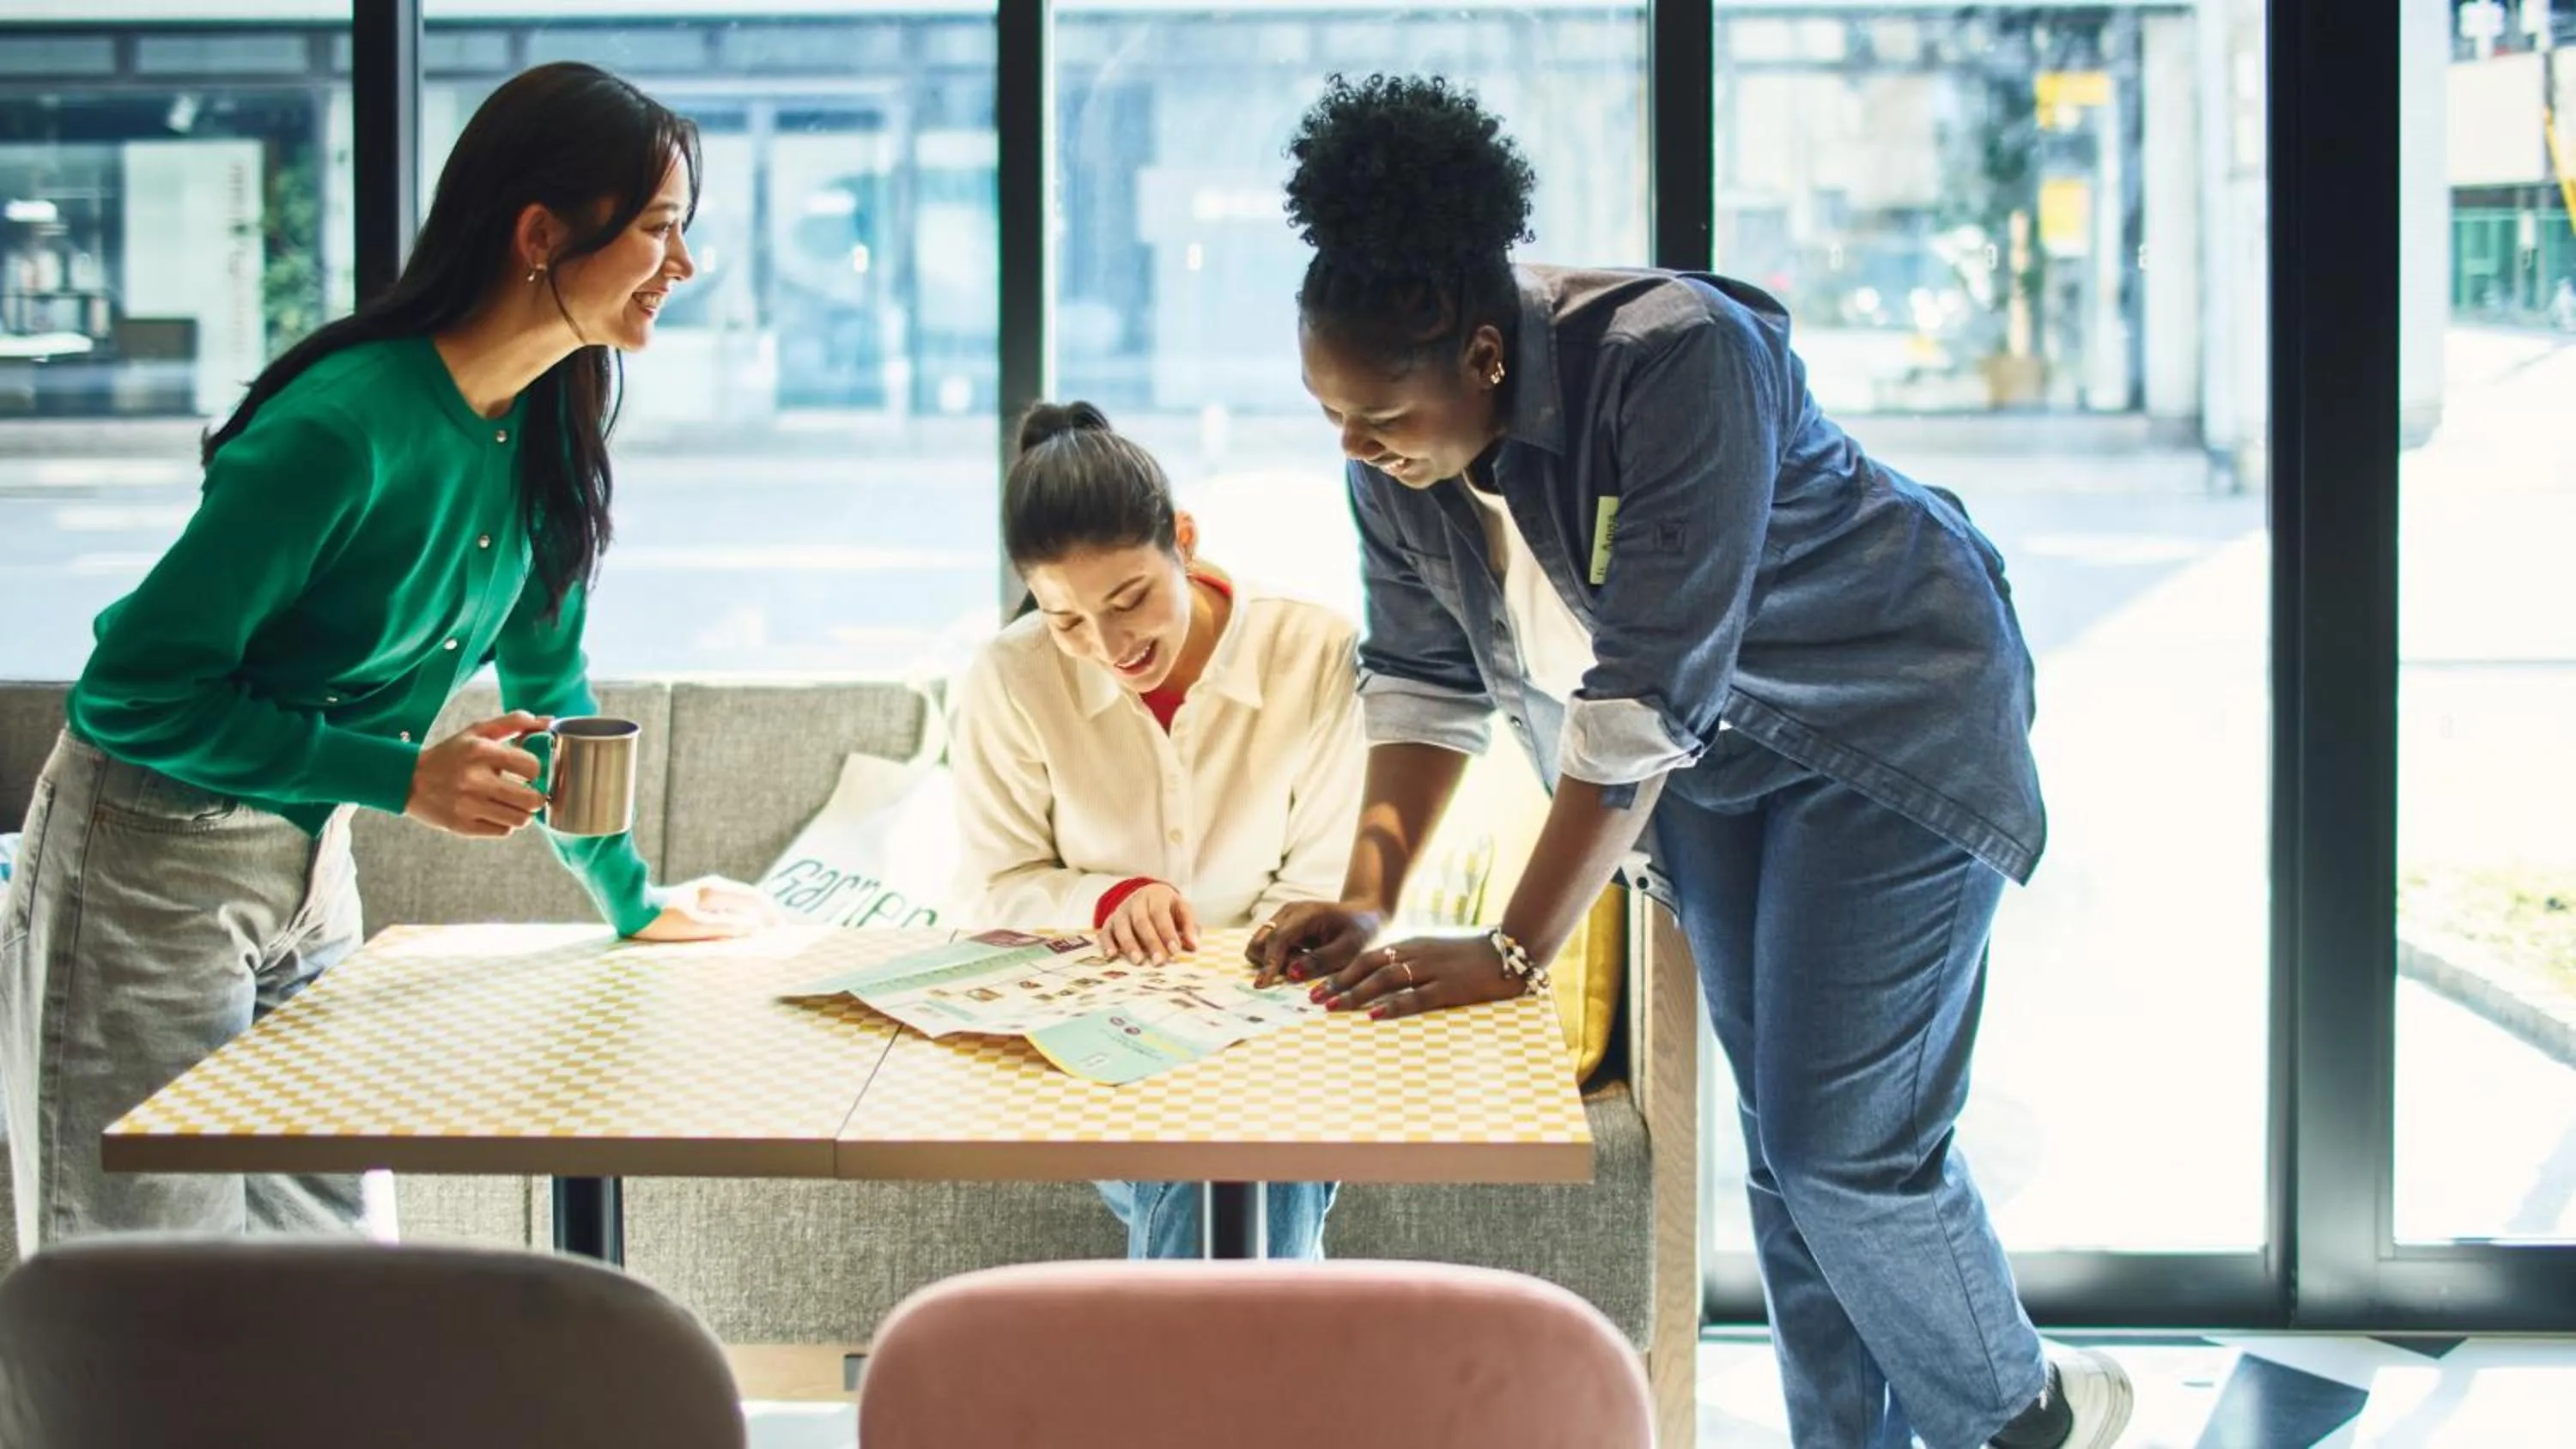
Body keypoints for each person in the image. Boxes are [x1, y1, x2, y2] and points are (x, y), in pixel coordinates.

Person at [1248, 74, 2132, 1449]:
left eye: (1380, 420)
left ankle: (2027, 1415)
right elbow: (1423, 687)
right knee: (1788, 1163)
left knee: (1852, 1156)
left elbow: (1643, 692)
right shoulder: (1394, 463)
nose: (1358, 452)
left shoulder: (1676, 355)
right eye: (1331, 418)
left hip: (1888, 719)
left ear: (1483, 354)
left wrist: (1519, 947)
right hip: (1711, 769)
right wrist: (1366, 895)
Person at [0, 62, 775, 1255]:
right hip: (147, 861)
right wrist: (405, 775)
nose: (682, 266)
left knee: (339, 1271)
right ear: (541, 233)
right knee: (141, 1288)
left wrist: (629, 897)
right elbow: (135, 692)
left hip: (311, 870)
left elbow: (551, 691)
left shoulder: (549, 429)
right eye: (661, 229)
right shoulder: (338, 429)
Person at [949, 400, 1362, 1260]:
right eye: (1065, 619)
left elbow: (1326, 884)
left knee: (1234, 1139)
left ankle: (1171, 1397)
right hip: (1091, 1028)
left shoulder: (1314, 651)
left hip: (1273, 1019)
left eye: (1129, 598)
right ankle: (1262, 1394)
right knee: (1242, 1156)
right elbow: (991, 887)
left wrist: (1243, 989)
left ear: (1184, 536)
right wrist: (1105, 897)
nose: (1107, 644)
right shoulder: (1010, 678)